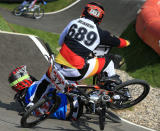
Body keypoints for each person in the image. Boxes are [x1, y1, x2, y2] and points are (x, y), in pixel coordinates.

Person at [8, 2, 130, 121]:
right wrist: (128, 43)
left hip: (57, 68)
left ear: (84, 12)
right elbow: (119, 42)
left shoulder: (74, 22)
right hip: (75, 71)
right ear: (100, 19)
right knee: (107, 62)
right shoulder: (100, 33)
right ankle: (116, 88)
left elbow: (61, 42)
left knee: (45, 81)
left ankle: (31, 104)